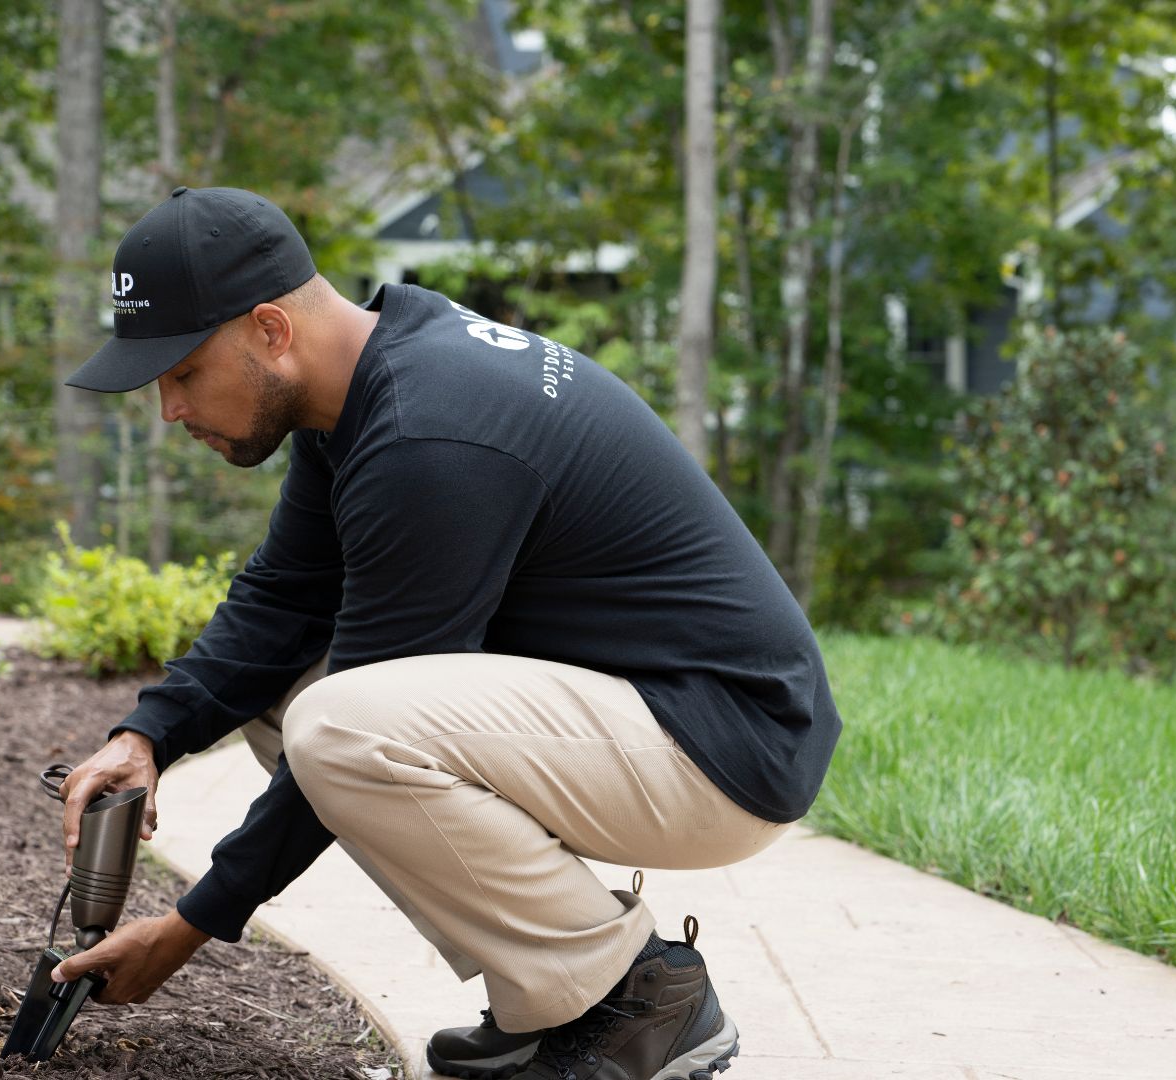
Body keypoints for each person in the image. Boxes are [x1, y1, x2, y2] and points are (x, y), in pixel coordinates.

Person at [47, 185, 842, 1080]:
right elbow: (282, 599)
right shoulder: (361, 384)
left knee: (337, 726)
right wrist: (146, 735)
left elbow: (355, 727)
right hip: (660, 714)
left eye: (183, 371)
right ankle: (550, 999)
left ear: (270, 329)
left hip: (723, 747)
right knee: (295, 699)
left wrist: (190, 925)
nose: (169, 408)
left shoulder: (430, 439)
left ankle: (635, 999)